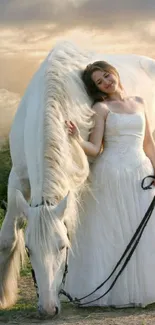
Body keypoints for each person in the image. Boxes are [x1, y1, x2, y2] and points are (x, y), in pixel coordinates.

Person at [64, 60, 155, 308]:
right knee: (114, 233)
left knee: (144, 231)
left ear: (114, 72)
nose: (106, 82)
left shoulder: (139, 102)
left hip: (140, 173)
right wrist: (75, 139)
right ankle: (114, 292)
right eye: (99, 82)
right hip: (112, 174)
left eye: (106, 75)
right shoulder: (101, 108)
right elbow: (94, 149)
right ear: (97, 88)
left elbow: (148, 144)